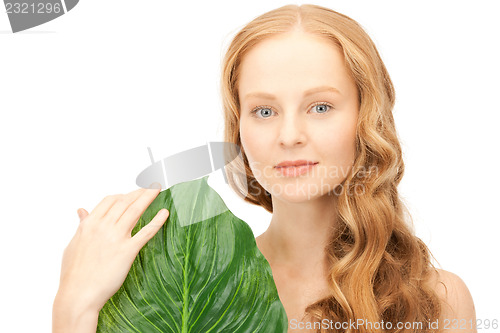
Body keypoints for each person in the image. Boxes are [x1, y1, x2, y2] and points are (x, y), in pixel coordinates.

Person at [52, 4, 476, 333]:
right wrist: (74, 305)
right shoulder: (189, 284)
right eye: (265, 110)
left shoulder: (435, 300)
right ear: (240, 127)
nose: (289, 135)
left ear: (367, 119)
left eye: (321, 106)